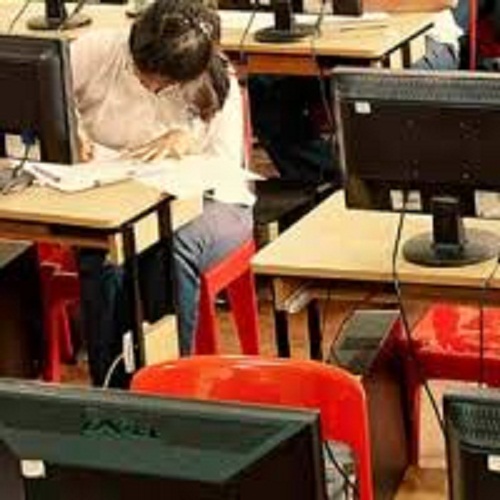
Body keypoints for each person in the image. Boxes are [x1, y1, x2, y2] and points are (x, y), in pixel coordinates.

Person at [71, 0, 254, 387]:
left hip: (209, 201)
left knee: (169, 248)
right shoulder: (95, 51)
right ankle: (110, 385)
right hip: (114, 191)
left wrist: (189, 143)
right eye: (144, 77)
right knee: (102, 249)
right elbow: (49, 98)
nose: (152, 88)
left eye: (165, 84)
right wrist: (73, 132)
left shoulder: (214, 76)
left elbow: (223, 166)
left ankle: (170, 382)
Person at [248, 0, 464, 184]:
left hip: (424, 40)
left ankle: (380, 184)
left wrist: (352, 4)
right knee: (263, 88)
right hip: (328, 37)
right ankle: (334, 180)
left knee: (376, 88)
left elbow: (444, 1)